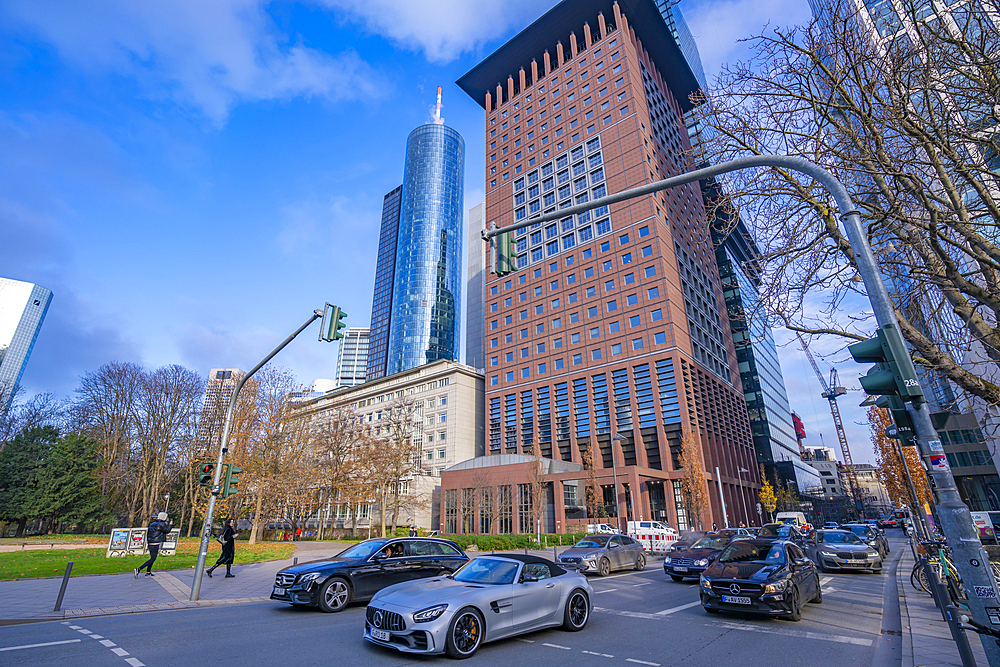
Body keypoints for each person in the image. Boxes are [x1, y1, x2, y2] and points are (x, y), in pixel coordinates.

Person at [135, 512, 172, 578]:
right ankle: (138, 569)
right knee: (153, 558)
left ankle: (148, 572)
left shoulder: (152, 524)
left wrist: (147, 543)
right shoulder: (162, 524)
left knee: (152, 557)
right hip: (155, 543)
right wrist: (170, 525)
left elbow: (148, 534)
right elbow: (167, 531)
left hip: (150, 542)